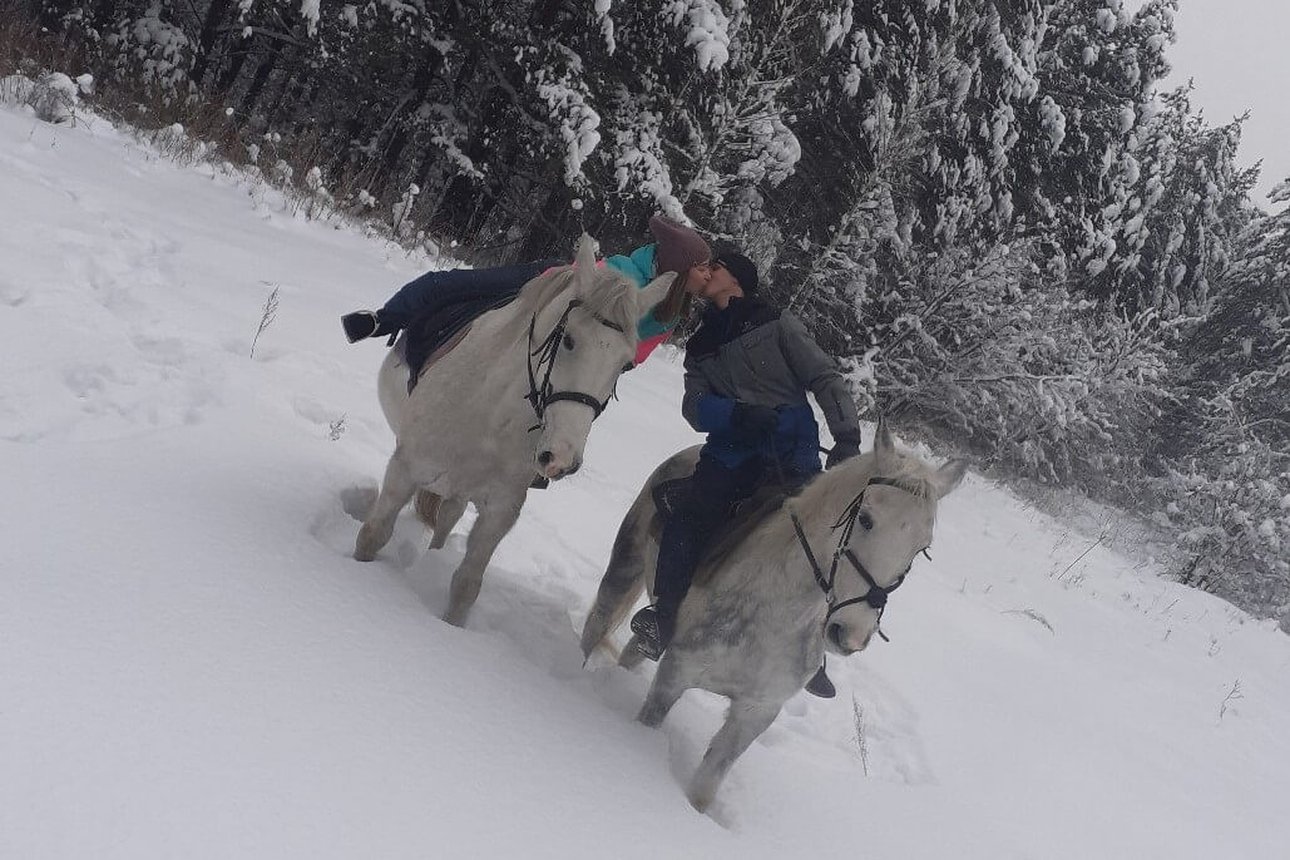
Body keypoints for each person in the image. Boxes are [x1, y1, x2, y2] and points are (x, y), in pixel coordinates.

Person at [630, 249, 863, 698]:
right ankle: (664, 618)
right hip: (730, 457)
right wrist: (736, 414)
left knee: (821, 543)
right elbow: (694, 407)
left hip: (792, 455)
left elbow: (824, 376)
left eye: (715, 267)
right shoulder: (699, 345)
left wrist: (847, 437)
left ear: (735, 280)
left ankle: (808, 647)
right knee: (688, 520)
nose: (708, 272)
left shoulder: (777, 323)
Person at [340, 215, 713, 369]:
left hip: (572, 353)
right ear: (679, 268)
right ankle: (381, 320)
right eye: (701, 267)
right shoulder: (621, 272)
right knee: (452, 284)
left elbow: (627, 360)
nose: (707, 275)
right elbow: (570, 299)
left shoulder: (670, 316)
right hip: (540, 284)